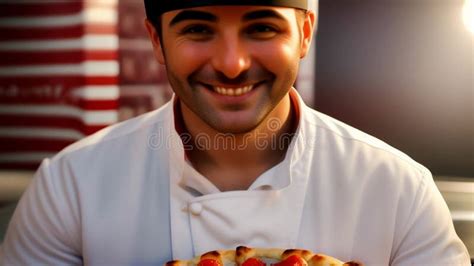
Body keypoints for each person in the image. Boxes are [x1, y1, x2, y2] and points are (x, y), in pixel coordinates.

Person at [0, 0, 470, 265]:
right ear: (155, 41)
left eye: (261, 27)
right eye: (198, 29)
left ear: (304, 34)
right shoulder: (69, 187)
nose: (231, 64)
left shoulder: (399, 190)